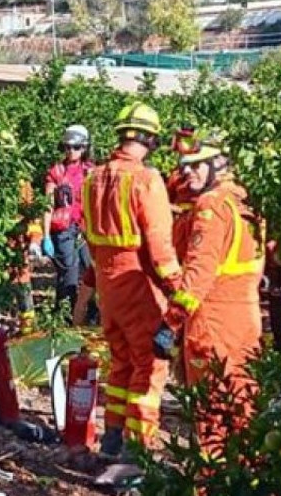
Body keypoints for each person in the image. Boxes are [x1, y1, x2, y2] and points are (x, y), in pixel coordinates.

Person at [153, 130, 265, 460]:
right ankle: (249, 486)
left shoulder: (211, 206)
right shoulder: (247, 200)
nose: (187, 172)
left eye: (196, 165)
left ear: (220, 163)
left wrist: (170, 324)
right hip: (246, 318)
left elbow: (198, 276)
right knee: (243, 404)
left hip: (212, 322)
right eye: (184, 166)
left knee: (211, 412)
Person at [81, 102, 181, 457]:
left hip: (107, 285)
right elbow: (158, 245)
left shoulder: (93, 178)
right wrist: (178, 291)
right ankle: (137, 453)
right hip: (138, 280)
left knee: (121, 361)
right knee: (150, 364)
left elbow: (91, 239)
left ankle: (111, 441)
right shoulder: (146, 179)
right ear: (150, 139)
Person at [35, 125, 95, 323]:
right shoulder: (57, 172)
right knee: (68, 275)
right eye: (67, 147)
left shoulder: (91, 172)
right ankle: (64, 320)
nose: (71, 151)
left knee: (90, 273)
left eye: (76, 147)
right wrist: (45, 236)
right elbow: (48, 205)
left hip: (86, 229)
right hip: (64, 230)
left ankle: (91, 317)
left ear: (84, 148)